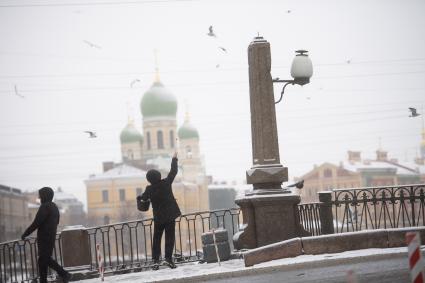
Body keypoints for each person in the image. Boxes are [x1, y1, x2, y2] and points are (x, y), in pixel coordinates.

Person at [138, 152, 181, 270]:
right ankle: (168, 259)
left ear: (149, 180)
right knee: (169, 237)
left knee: (156, 239)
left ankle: (155, 261)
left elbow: (143, 199)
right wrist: (174, 159)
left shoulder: (149, 189)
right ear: (159, 175)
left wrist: (140, 198)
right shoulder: (166, 183)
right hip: (170, 215)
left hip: (159, 218)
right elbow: (173, 171)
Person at [21, 187, 71, 283]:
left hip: (44, 237)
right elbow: (57, 222)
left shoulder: (45, 207)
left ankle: (65, 274)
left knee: (45, 259)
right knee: (42, 260)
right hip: (51, 236)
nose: (39, 198)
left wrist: (25, 233)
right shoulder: (55, 207)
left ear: (44, 195)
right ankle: (43, 280)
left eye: (40, 195)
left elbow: (36, 223)